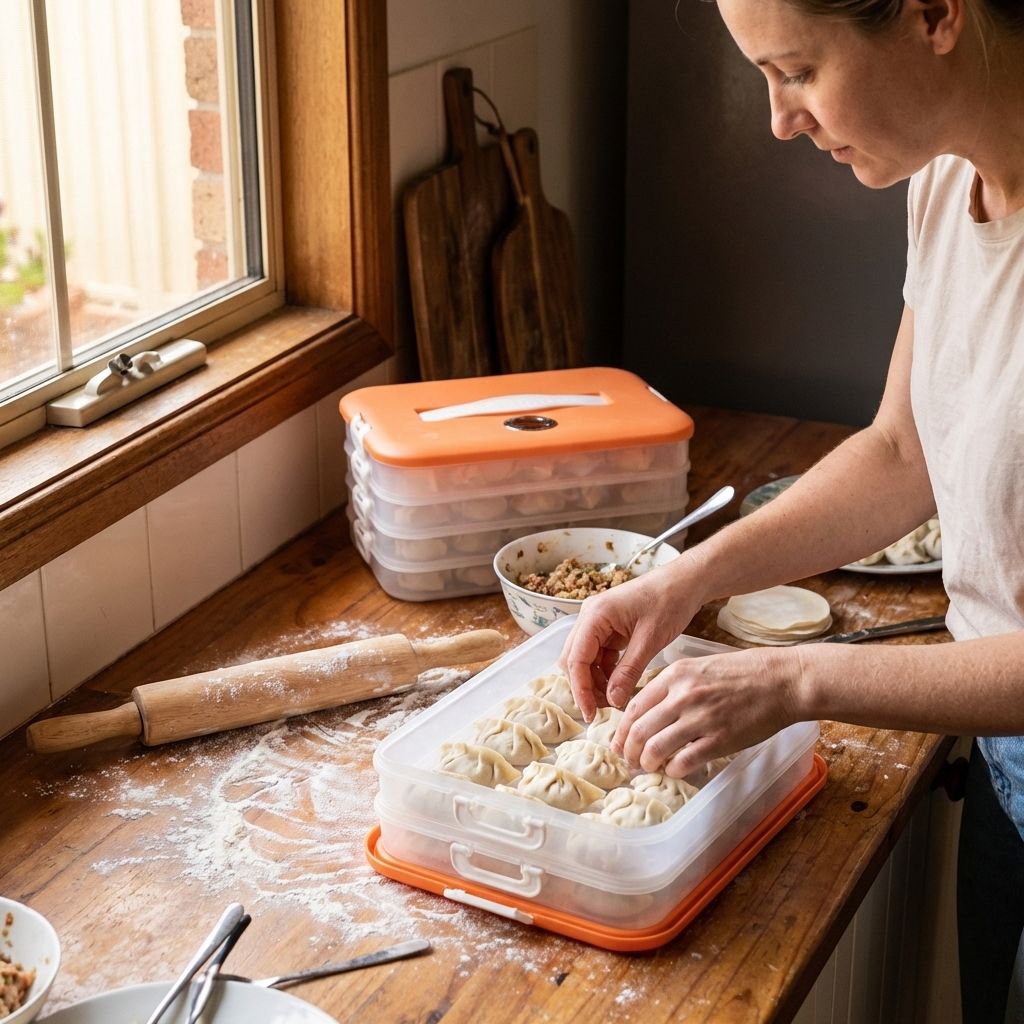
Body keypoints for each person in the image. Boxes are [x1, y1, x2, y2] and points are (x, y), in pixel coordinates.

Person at [560, 1, 1024, 1020]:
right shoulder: (948, 177)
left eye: (798, 71)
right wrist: (686, 576)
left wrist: (794, 675)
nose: (778, 119)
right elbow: (901, 452)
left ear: (934, 14)